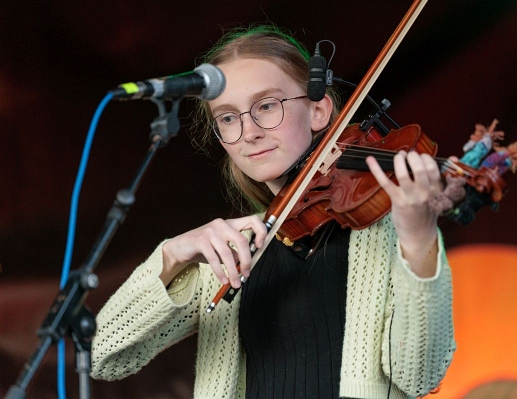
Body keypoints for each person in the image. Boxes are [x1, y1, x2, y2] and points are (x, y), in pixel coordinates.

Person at [90, 24, 455, 399]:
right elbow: (102, 355)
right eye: (228, 117)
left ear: (317, 111)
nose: (249, 132)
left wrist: (418, 238)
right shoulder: (228, 256)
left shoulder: (389, 231)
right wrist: (173, 254)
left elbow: (419, 376)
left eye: (266, 106)